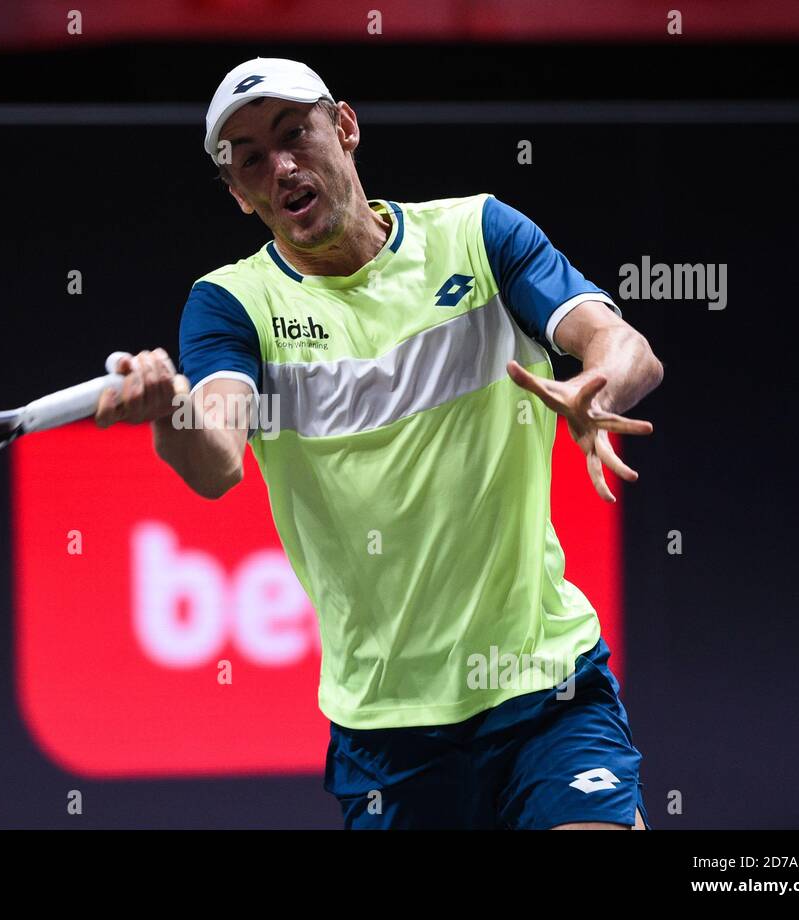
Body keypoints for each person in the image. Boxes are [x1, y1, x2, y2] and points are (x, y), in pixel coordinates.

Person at [95, 58, 663, 829]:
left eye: (295, 134)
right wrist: (171, 414)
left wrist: (600, 385)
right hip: (388, 732)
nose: (281, 165)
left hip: (547, 688)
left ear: (347, 129)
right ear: (238, 194)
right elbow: (219, 459)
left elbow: (621, 343)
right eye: (250, 159)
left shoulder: (479, 236)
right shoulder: (231, 304)